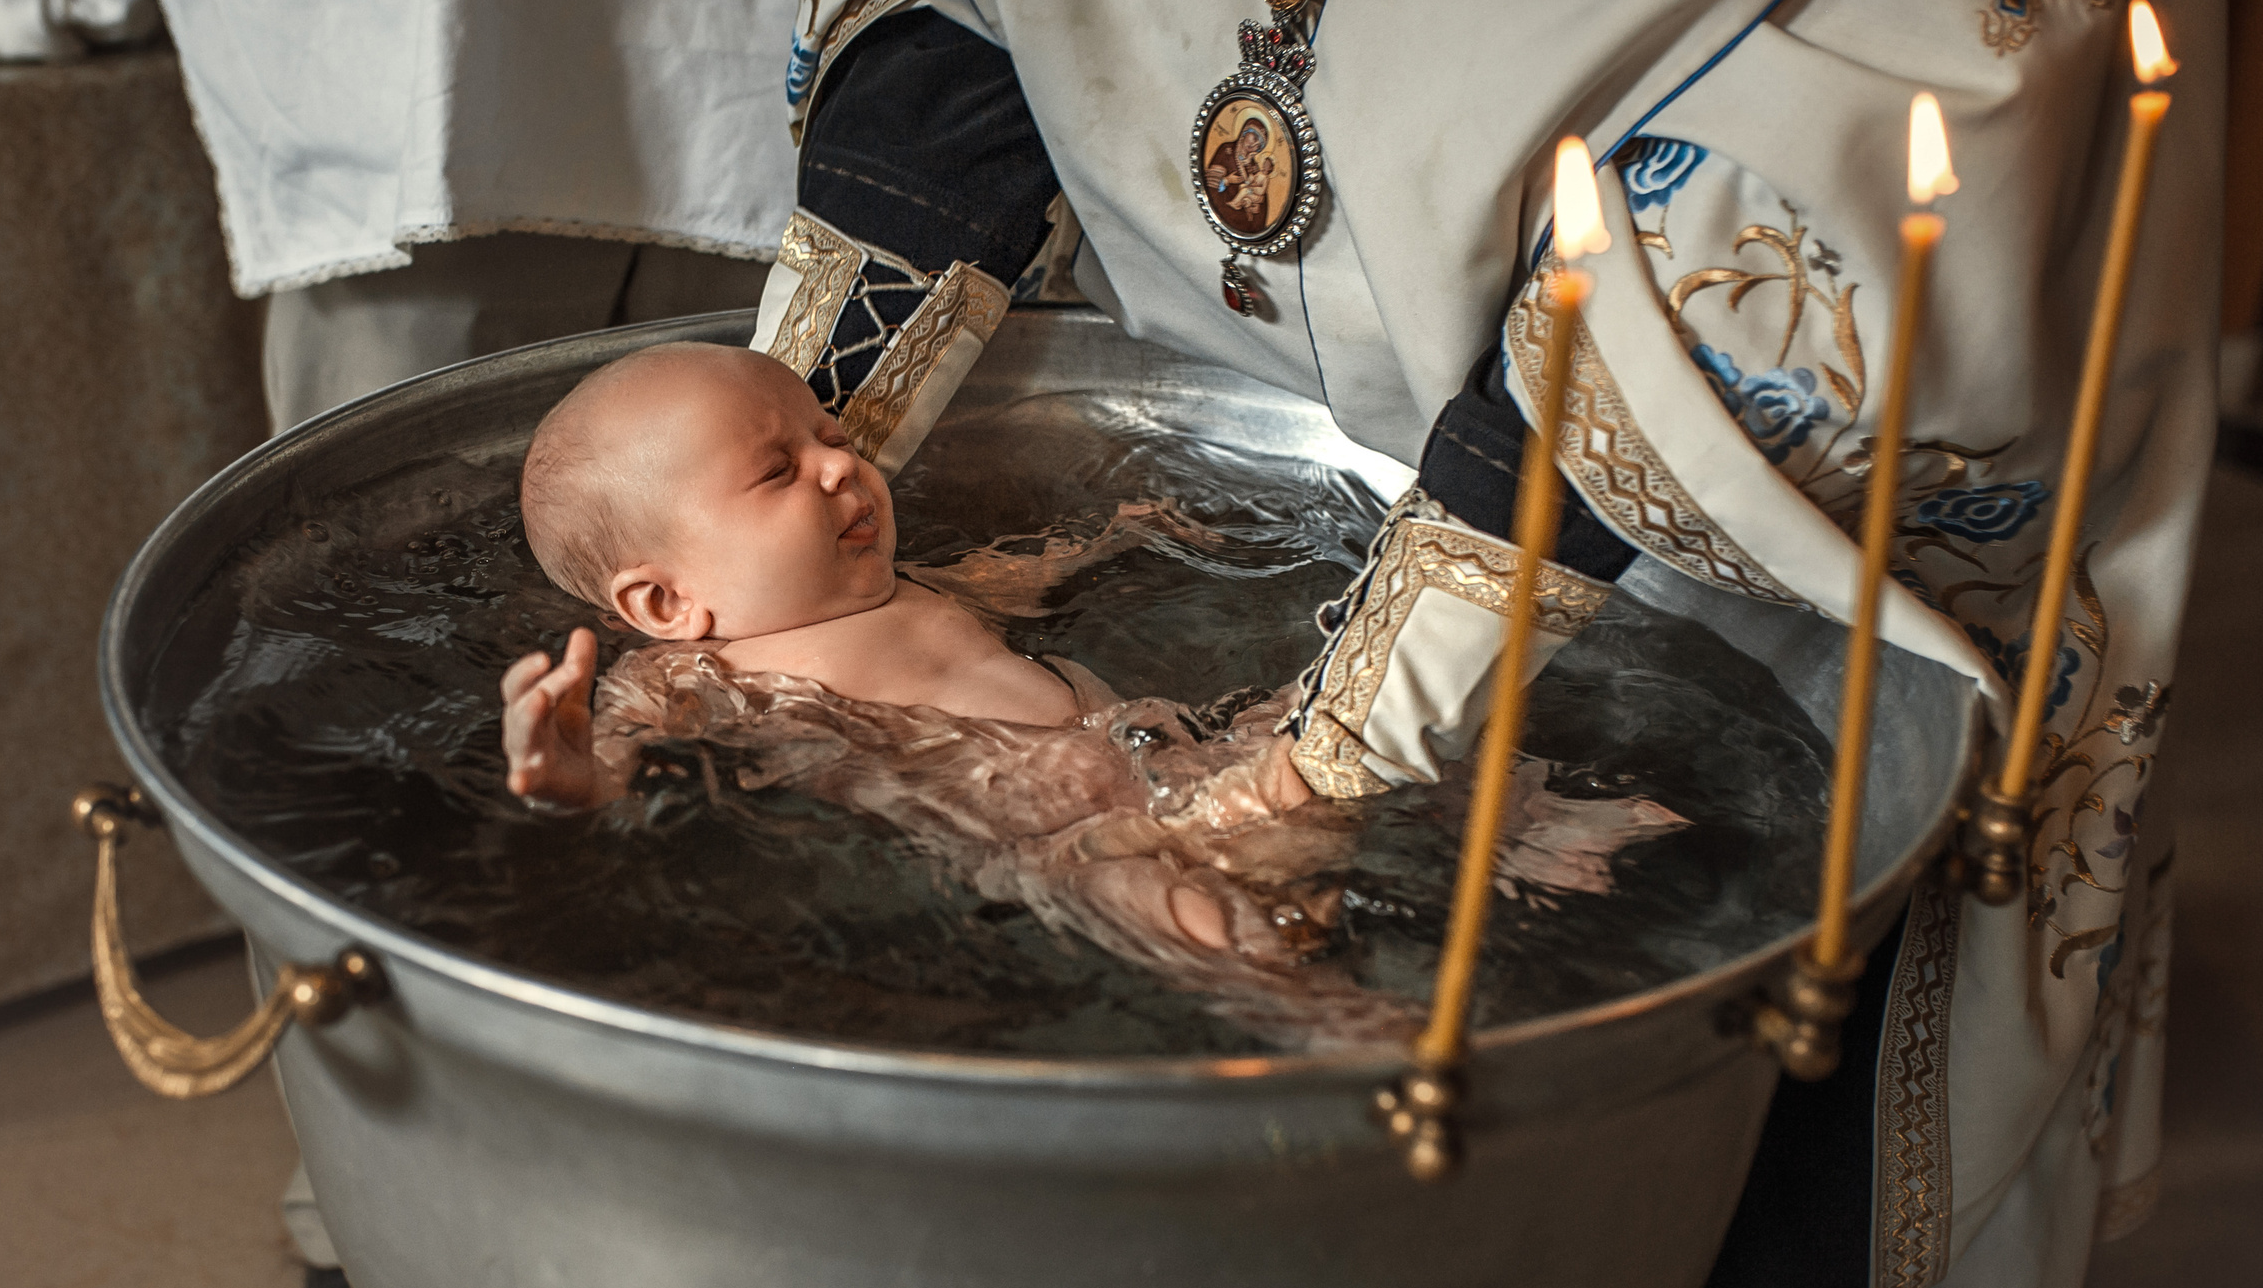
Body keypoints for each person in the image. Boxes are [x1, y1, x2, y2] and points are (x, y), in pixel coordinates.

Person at [750, 0, 2217, 1288]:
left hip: (1730, 537)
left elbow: (1847, 162)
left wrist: (1324, 764)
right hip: (1252, 422)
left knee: (1657, 1160)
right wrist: (769, 500)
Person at [131, 0, 816, 1288]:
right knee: (360, 683)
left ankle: (755, 1195)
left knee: (787, 642)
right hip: (439, 25)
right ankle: (367, 1233)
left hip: (779, 4)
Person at [494, 341, 1683, 1040]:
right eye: (779, 469)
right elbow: (622, 771)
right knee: (1169, 913)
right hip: (1056, 838)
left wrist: (1110, 540)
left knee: (1349, 716)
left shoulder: (911, 585)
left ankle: (1522, 821)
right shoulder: (690, 676)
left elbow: (1018, 583)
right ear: (662, 604)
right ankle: (1347, 1035)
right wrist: (570, 778)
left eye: (827, 430)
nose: (842, 462)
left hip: (1181, 764)